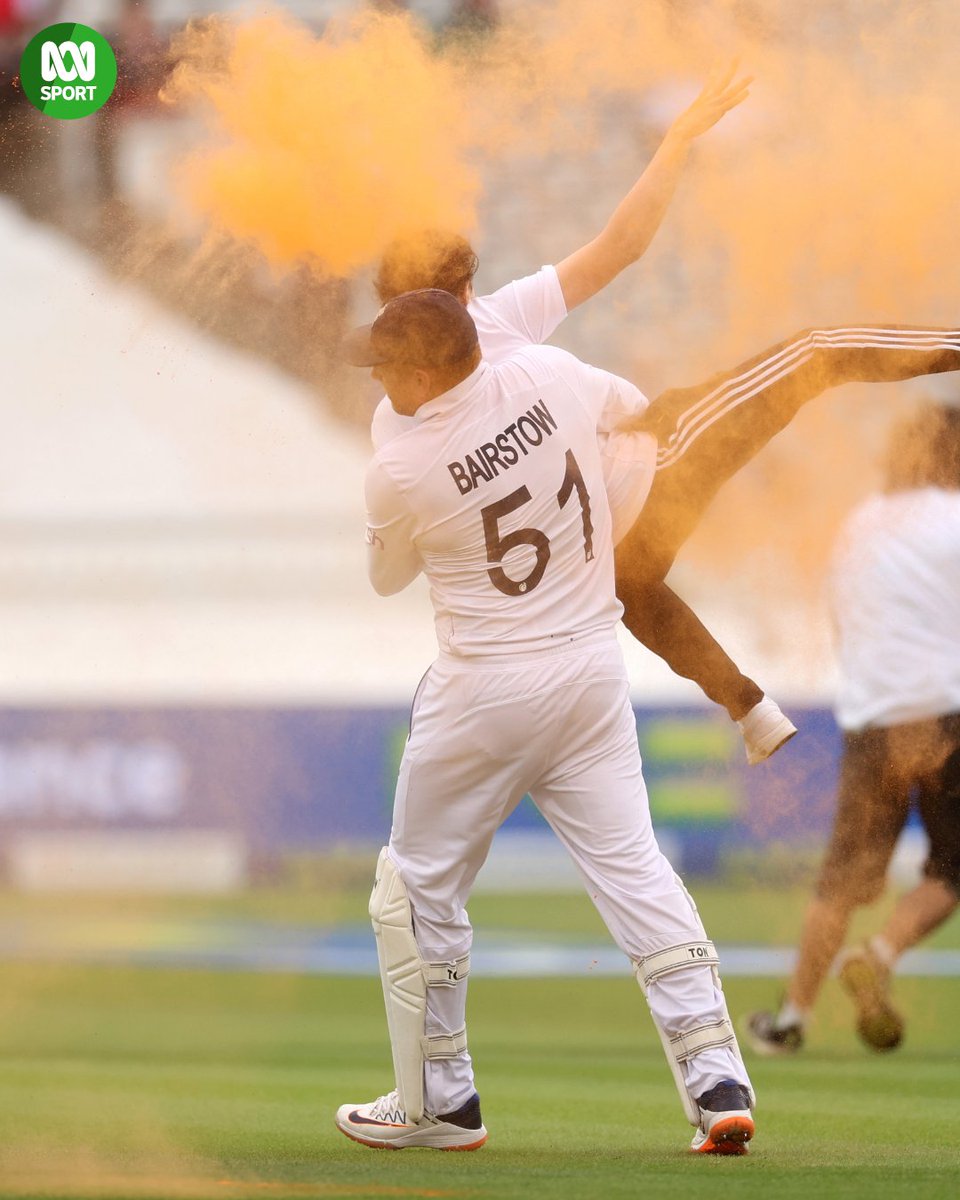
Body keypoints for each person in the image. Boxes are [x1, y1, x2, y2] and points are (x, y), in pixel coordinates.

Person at [336, 289, 758, 1155]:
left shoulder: (401, 466)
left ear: (425, 373)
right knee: (637, 870)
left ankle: (441, 1101)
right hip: (591, 668)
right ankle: (717, 1079)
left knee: (414, 890)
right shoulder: (551, 371)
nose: (377, 381)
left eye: (386, 368)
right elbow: (632, 414)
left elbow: (385, 579)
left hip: (484, 686)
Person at [746, 402, 960, 1055]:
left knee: (839, 883)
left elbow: (842, 625)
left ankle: (791, 1020)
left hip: (872, 719)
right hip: (948, 715)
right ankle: (881, 952)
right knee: (952, 870)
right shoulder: (955, 519)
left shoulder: (857, 527)